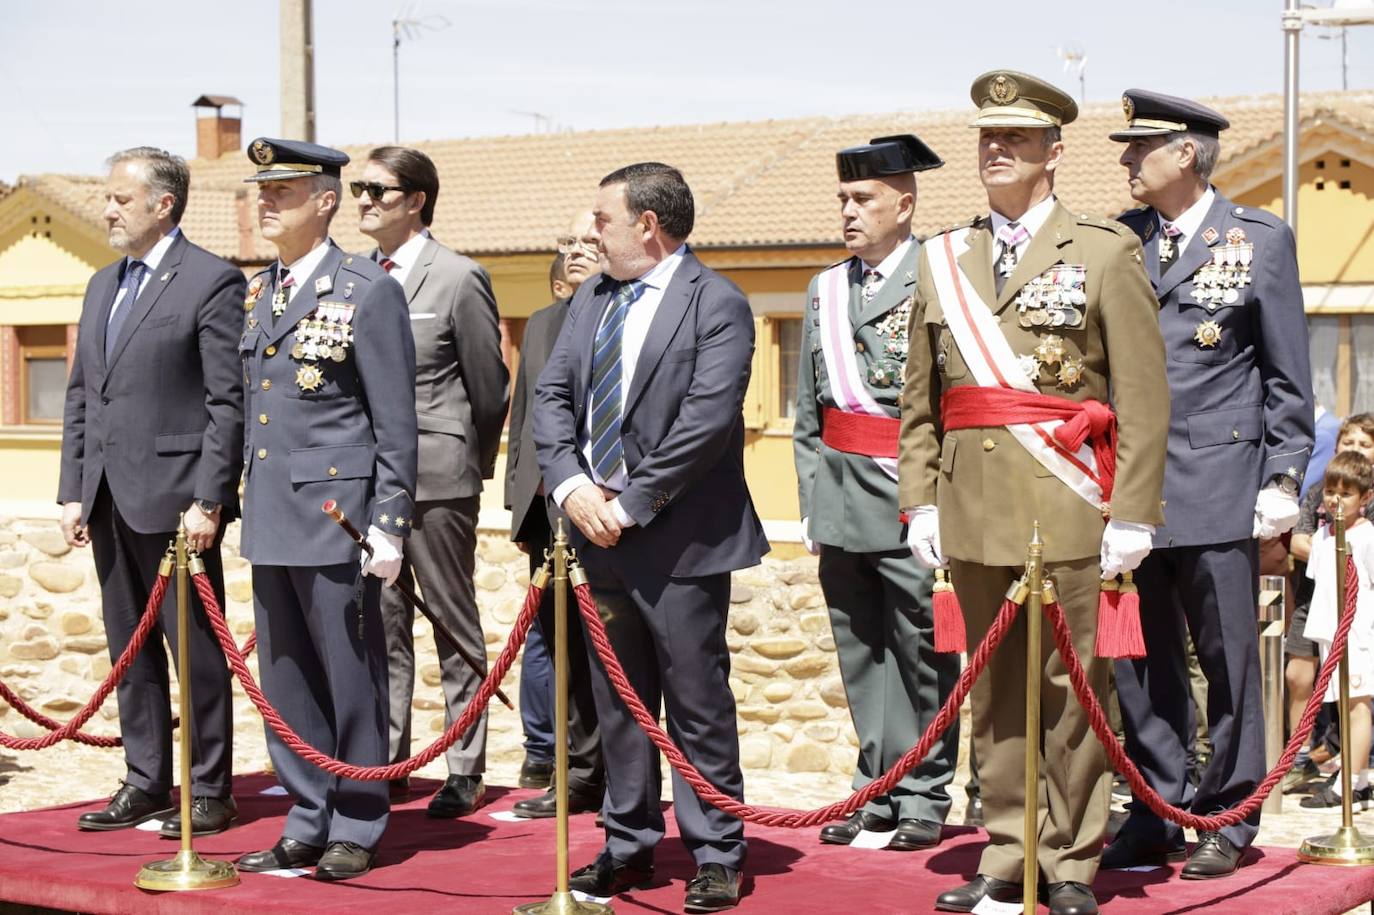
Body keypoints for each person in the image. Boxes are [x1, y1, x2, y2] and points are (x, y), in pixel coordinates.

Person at [899, 71, 1169, 915]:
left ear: (1054, 152)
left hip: (1071, 505)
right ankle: (1009, 849)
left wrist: (1132, 511)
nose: (995, 150)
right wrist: (922, 501)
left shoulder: (1102, 249)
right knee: (993, 696)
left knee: (1073, 697)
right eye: (986, 137)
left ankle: (1072, 864)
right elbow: (920, 400)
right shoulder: (944, 258)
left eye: (1014, 138)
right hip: (973, 510)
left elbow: (1143, 396)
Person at [534, 163, 768, 912]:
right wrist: (572, 487)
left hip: (682, 537)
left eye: (602, 219)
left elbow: (706, 422)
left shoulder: (717, 303)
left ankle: (716, 852)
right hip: (597, 533)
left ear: (647, 225)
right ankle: (626, 842)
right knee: (618, 700)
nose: (590, 234)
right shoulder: (593, 299)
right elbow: (550, 395)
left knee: (696, 700)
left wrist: (629, 503)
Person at [1107, 89, 1315, 879]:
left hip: (1221, 481)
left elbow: (1287, 376)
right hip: (1131, 491)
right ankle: (1157, 806)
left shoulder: (1257, 239)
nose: (1126, 160)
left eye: (1139, 148)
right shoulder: (1121, 240)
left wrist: (1283, 476)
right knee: (1141, 660)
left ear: (1185, 153)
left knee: (1228, 662)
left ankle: (1230, 812)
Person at [232, 137, 417, 881]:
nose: (266, 202)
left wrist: (391, 522)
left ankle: (357, 818)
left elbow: (395, 421)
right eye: (261, 191)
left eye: (283, 190)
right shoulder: (262, 290)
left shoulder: (366, 289)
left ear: (325, 200)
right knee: (285, 679)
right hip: (273, 511)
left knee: (349, 676)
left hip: (339, 517)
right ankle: (306, 813)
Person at [59, 146, 243, 837]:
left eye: (120, 198)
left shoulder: (210, 280)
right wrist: (73, 490)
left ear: (163, 204)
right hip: (106, 497)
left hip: (177, 504)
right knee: (127, 650)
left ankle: (209, 790)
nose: (107, 208)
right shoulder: (102, 283)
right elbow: (82, 394)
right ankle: (144, 781)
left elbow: (228, 401)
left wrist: (210, 499)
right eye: (107, 198)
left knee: (194, 652)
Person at [792, 135, 958, 851]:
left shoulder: (941, 275)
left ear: (905, 203)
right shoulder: (825, 288)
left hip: (910, 494)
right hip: (839, 493)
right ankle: (879, 786)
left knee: (921, 651)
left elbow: (954, 401)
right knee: (860, 651)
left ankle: (924, 790)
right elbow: (807, 411)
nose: (849, 212)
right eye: (843, 201)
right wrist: (809, 500)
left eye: (863, 199)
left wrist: (943, 502)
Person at [356, 146, 509, 816]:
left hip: (438, 479)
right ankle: (389, 760)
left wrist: (463, 464)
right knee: (380, 627)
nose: (362, 200)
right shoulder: (356, 277)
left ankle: (463, 764)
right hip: (369, 482)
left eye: (377, 190)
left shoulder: (456, 277)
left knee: (451, 622)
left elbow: (488, 386)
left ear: (416, 199)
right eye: (357, 188)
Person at [507, 213, 606, 818]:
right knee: (559, 646)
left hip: (605, 508)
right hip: (549, 514)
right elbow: (524, 423)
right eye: (566, 243)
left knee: (606, 650)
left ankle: (618, 777)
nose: (574, 251)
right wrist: (520, 511)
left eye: (587, 242)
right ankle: (574, 773)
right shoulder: (543, 323)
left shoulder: (621, 317)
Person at [1285, 414, 1374, 794]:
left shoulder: (1365, 523)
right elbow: (1298, 541)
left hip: (1357, 616)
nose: (1337, 499)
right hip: (1316, 603)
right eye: (1348, 442)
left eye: (1364, 444)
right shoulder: (1320, 491)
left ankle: (1353, 777)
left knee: (1355, 695)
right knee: (1299, 676)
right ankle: (1301, 756)